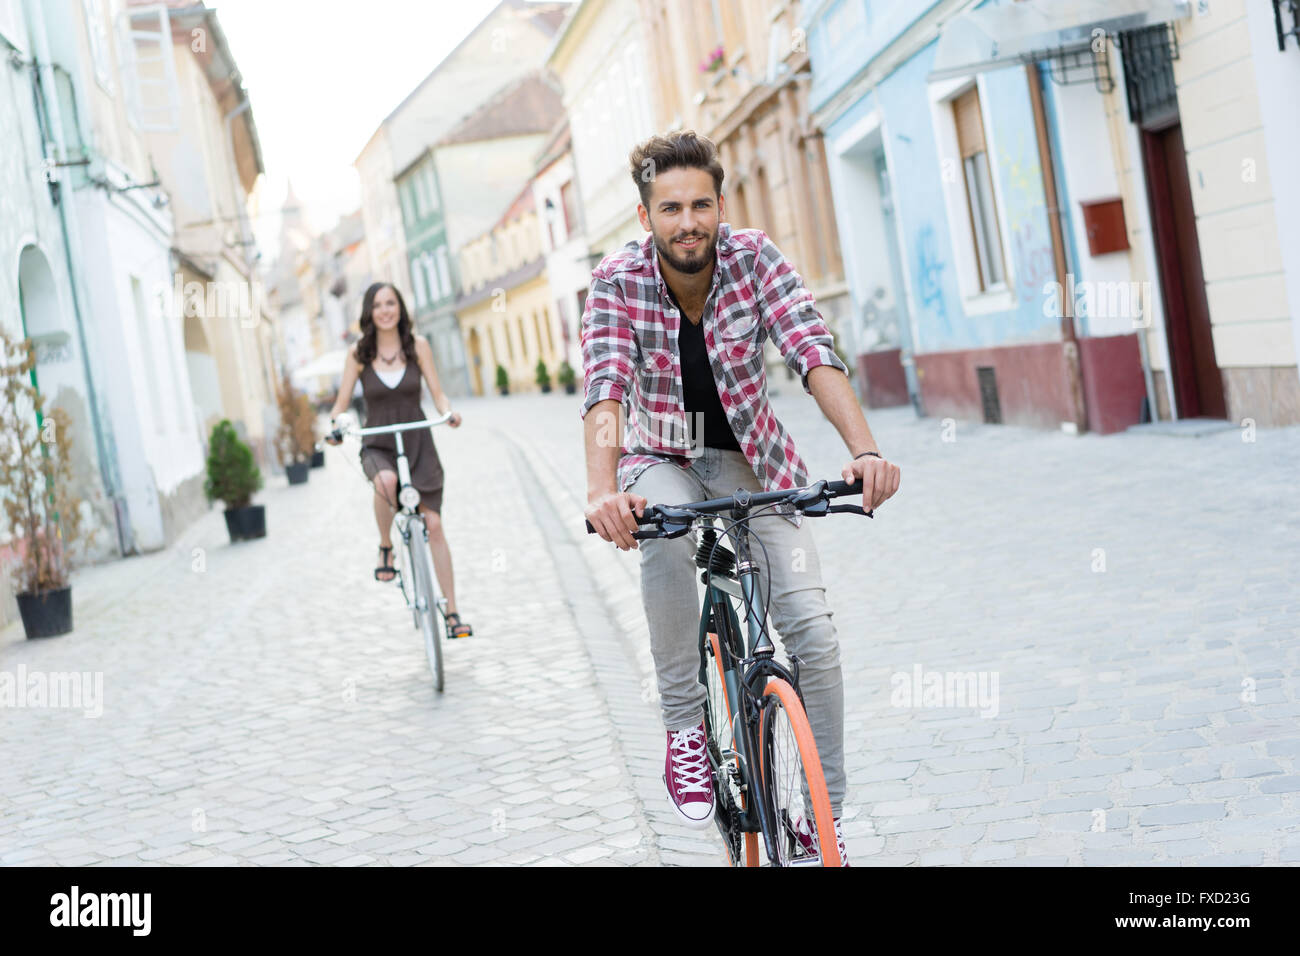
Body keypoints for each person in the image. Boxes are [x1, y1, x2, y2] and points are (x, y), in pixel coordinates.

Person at [580, 131, 901, 863]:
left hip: (748, 459)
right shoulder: (616, 282)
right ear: (645, 217)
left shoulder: (754, 257)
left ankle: (825, 816)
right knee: (660, 537)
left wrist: (865, 449)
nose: (687, 221)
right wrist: (604, 490)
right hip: (658, 455)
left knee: (812, 635)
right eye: (670, 208)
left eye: (700, 204)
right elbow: (604, 389)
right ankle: (686, 728)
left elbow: (811, 349)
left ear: (720, 205)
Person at [325, 282, 473, 639]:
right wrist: (336, 427)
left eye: (391, 303)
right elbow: (341, 404)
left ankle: (452, 612)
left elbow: (437, 395)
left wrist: (449, 413)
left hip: (418, 440)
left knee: (434, 524)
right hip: (377, 443)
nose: (385, 310)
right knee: (386, 483)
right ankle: (386, 546)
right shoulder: (358, 353)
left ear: (400, 308)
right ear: (369, 312)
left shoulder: (418, 347)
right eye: (378, 305)